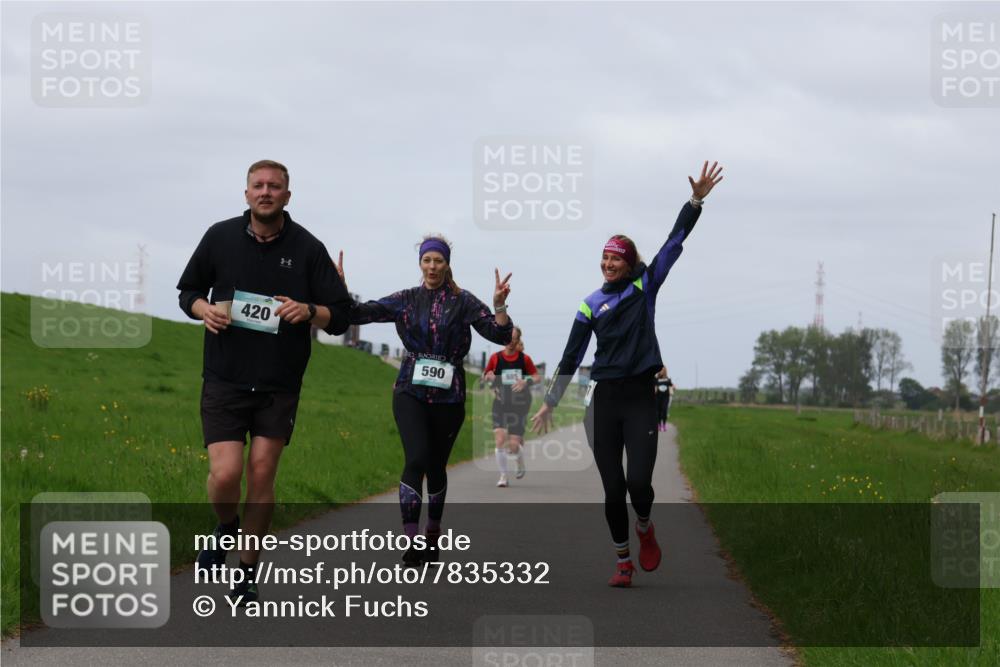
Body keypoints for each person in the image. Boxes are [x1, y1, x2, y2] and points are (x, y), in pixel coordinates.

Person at [532, 161, 724, 587]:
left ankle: (644, 527)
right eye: (603, 258)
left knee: (639, 483)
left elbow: (674, 243)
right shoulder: (588, 305)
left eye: (615, 258)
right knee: (613, 488)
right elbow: (570, 357)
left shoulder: (645, 287)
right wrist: (548, 403)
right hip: (603, 402)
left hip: (640, 398)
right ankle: (623, 561)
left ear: (629, 262)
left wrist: (695, 201)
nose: (607, 264)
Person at [177, 160, 352, 605]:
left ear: (287, 196)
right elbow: (188, 292)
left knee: (260, 474)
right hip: (224, 377)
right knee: (225, 474)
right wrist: (205, 310)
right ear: (246, 193)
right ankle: (227, 526)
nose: (266, 192)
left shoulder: (309, 249)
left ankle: (247, 572)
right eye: (258, 185)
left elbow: (341, 315)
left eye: (275, 186)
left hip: (279, 382)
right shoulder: (219, 237)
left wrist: (310, 311)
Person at [337, 237, 512, 566]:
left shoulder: (463, 302)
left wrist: (499, 305)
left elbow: (500, 336)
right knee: (415, 459)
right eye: (427, 260)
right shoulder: (406, 299)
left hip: (449, 397)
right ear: (420, 263)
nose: (432, 267)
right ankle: (412, 539)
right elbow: (358, 314)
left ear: (447, 264)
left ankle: (432, 533)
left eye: (438, 261)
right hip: (410, 392)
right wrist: (340, 288)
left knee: (436, 467)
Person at [482, 327, 541, 487]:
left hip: (519, 404)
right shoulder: (495, 358)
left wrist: (525, 381)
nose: (510, 342)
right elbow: (486, 375)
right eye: (507, 338)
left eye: (513, 339)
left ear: (518, 340)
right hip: (500, 403)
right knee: (500, 439)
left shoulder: (524, 359)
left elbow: (537, 377)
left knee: (514, 445)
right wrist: (489, 377)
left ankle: (520, 462)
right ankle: (503, 476)